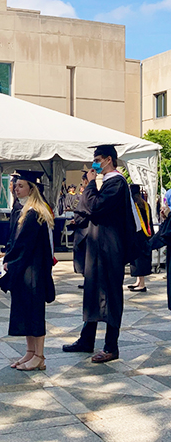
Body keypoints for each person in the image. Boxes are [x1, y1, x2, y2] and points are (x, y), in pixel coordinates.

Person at [62, 144, 138, 363]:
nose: (95, 164)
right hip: (98, 248)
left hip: (110, 250)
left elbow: (95, 207)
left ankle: (111, 347)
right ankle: (87, 339)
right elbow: (90, 211)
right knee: (92, 293)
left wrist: (91, 185)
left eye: (97, 159)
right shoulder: (107, 183)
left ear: (108, 159)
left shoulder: (116, 183)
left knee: (111, 297)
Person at [0, 170, 56, 371]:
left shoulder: (34, 212)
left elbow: (24, 244)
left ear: (32, 188)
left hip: (33, 271)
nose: (15, 188)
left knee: (35, 312)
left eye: (20, 185)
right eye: (15, 185)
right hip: (26, 269)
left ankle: (39, 356)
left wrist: (10, 261)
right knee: (26, 311)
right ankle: (30, 352)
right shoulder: (24, 209)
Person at [128, 184, 153, 292]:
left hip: (137, 237)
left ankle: (142, 284)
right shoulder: (145, 205)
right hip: (145, 236)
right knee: (140, 259)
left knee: (139, 260)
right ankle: (138, 281)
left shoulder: (134, 206)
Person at [67, 171, 90, 276]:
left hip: (84, 231)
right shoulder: (87, 194)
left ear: (85, 181)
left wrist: (77, 220)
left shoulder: (87, 194)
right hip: (85, 229)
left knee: (85, 256)